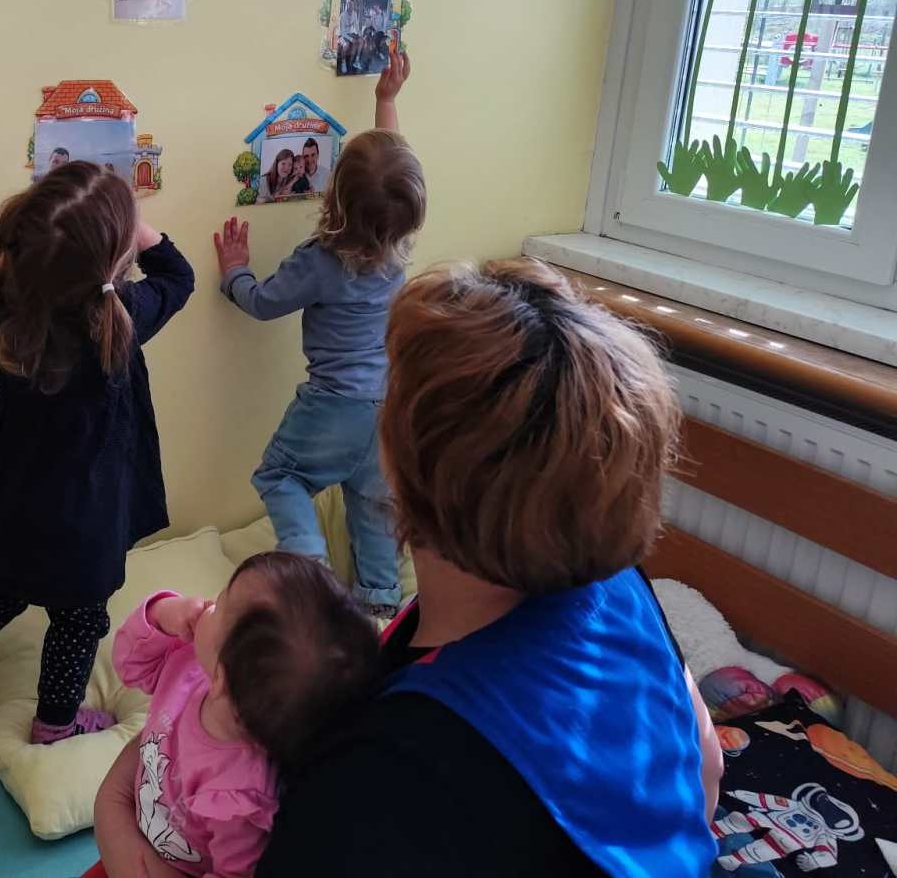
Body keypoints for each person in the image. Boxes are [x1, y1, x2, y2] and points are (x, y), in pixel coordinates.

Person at [250, 258, 723, 876]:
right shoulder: (621, 590)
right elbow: (706, 766)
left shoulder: (375, 775)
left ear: (402, 465)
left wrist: (128, 822)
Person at [0, 161, 195, 745]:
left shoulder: (5, 314)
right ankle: (55, 724)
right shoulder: (124, 316)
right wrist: (137, 228)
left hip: (15, 496)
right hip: (90, 515)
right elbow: (179, 275)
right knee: (79, 616)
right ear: (113, 258)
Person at [214, 53, 424, 618]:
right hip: (389, 406)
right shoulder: (398, 249)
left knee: (279, 474)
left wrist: (235, 272)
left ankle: (309, 569)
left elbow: (263, 303)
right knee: (374, 505)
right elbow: (391, 180)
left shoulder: (321, 261)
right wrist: (386, 100)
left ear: (333, 197)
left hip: (334, 405)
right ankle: (380, 603)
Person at [88, 554, 379, 878]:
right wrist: (160, 613)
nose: (209, 603)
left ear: (221, 678)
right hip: (133, 817)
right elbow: (130, 666)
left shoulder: (239, 799)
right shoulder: (193, 660)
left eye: (222, 602)